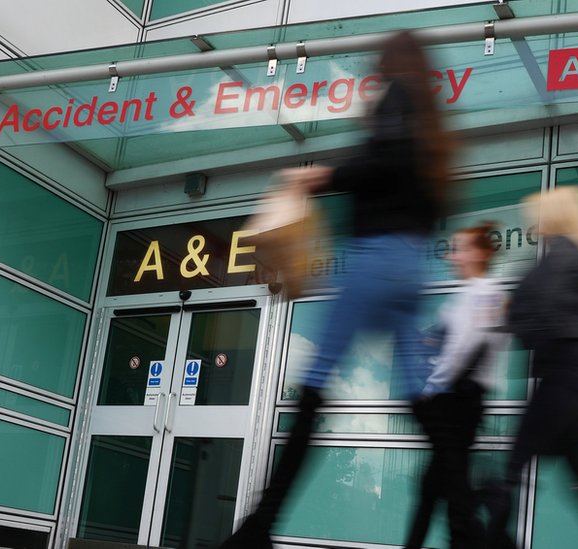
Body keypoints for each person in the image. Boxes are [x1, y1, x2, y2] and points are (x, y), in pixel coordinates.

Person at [219, 30, 453, 549]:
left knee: (316, 384)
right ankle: (473, 518)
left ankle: (259, 527)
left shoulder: (397, 98)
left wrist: (321, 177)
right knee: (420, 395)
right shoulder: (433, 129)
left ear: (391, 62)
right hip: (409, 268)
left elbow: (381, 162)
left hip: (373, 263)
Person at [485, 187, 578, 549]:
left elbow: (546, 317)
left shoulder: (561, 256)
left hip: (563, 383)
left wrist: (511, 320)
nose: (530, 222)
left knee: (509, 470)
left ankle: (491, 542)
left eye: (535, 214)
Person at [405, 222, 508, 549]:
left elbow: (463, 346)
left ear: (477, 253)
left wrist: (431, 388)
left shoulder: (484, 292)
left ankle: (495, 517)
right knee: (436, 486)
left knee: (454, 490)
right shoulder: (472, 295)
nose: (451, 256)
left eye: (458, 249)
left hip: (456, 401)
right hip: (463, 399)